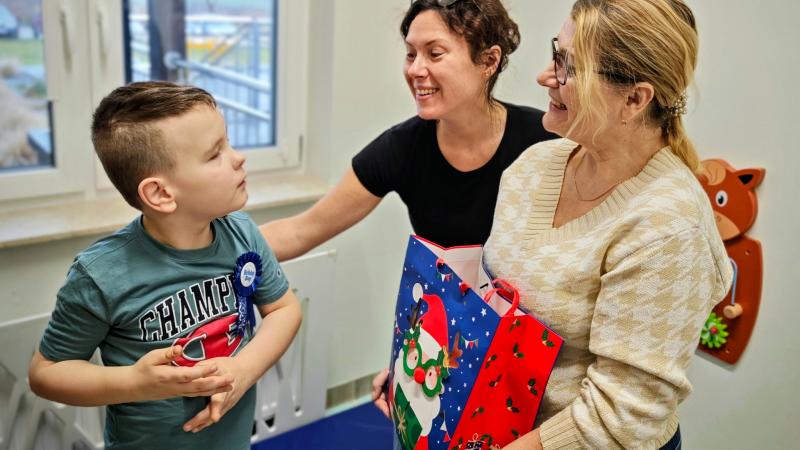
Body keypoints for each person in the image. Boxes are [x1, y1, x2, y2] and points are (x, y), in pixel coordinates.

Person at [259, 0, 555, 414]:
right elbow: (300, 231)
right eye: (411, 53)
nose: (416, 69)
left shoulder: (544, 144)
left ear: (488, 61)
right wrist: (202, 248)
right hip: (450, 349)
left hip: (532, 360)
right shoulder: (402, 148)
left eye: (435, 53)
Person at [481, 1, 733, 449]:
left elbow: (621, 420)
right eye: (555, 54)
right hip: (500, 423)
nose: (545, 76)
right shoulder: (535, 166)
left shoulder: (668, 227)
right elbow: (499, 303)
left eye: (568, 67)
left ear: (634, 99)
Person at [28, 82, 302, 450]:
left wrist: (243, 369)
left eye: (228, 143)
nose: (239, 158)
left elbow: (284, 309)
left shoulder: (243, 233)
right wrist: (135, 382)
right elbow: (46, 373)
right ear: (160, 193)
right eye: (215, 154)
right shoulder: (100, 274)